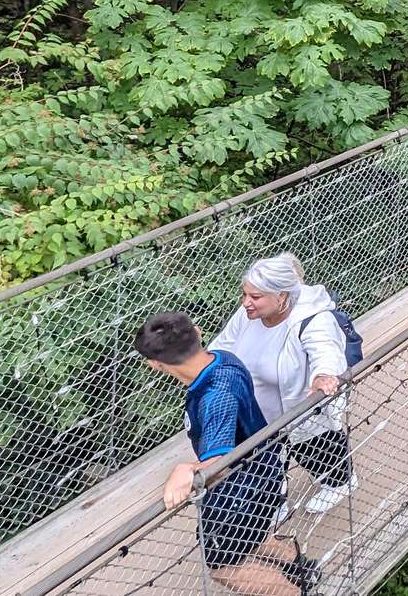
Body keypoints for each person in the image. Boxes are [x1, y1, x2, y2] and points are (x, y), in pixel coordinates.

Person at [136, 312, 318, 596]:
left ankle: (297, 593)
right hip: (265, 466)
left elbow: (218, 464)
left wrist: (185, 469)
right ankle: (302, 567)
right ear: (197, 332)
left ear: (155, 365)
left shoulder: (214, 396)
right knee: (255, 536)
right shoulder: (223, 359)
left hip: (237, 491)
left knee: (225, 566)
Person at [210, 253, 357, 517]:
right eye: (245, 295)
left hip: (296, 404)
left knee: (316, 447)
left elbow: (326, 351)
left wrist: (323, 375)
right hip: (256, 409)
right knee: (263, 458)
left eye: (255, 297)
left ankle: (340, 483)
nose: (246, 303)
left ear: (282, 297)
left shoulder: (313, 319)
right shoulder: (247, 315)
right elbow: (222, 346)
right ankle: (274, 502)